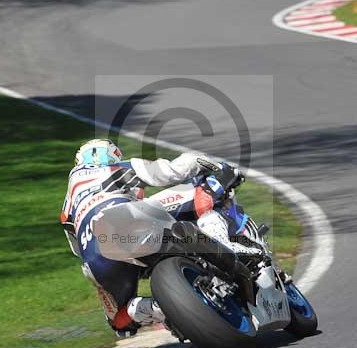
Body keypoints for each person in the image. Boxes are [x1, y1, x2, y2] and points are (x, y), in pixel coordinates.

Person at [60, 139, 260, 337]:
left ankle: (164, 310)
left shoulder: (67, 208)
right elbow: (172, 171)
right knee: (203, 195)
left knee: (120, 321)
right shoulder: (117, 169)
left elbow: (76, 249)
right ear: (111, 156)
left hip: (95, 258)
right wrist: (218, 168)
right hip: (127, 220)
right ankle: (227, 247)